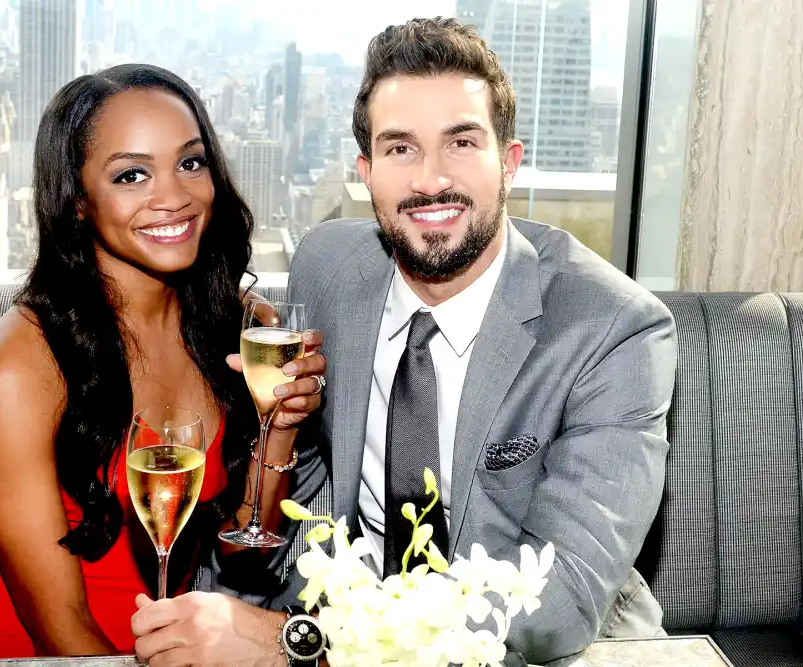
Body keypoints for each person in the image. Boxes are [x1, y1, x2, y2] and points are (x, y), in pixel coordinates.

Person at [130, 17, 678, 667]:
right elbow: (305, 493)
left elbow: (556, 607)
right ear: (367, 171)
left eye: (461, 143)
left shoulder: (613, 329)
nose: (430, 179)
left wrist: (298, 642)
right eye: (400, 149)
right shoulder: (328, 269)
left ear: (508, 162)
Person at [0, 63, 326, 666]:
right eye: (131, 175)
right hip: (17, 654)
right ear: (76, 201)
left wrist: (281, 424)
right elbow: (61, 633)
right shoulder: (17, 369)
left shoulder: (244, 328)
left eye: (191, 162)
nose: (173, 197)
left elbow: (244, 550)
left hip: (158, 651)